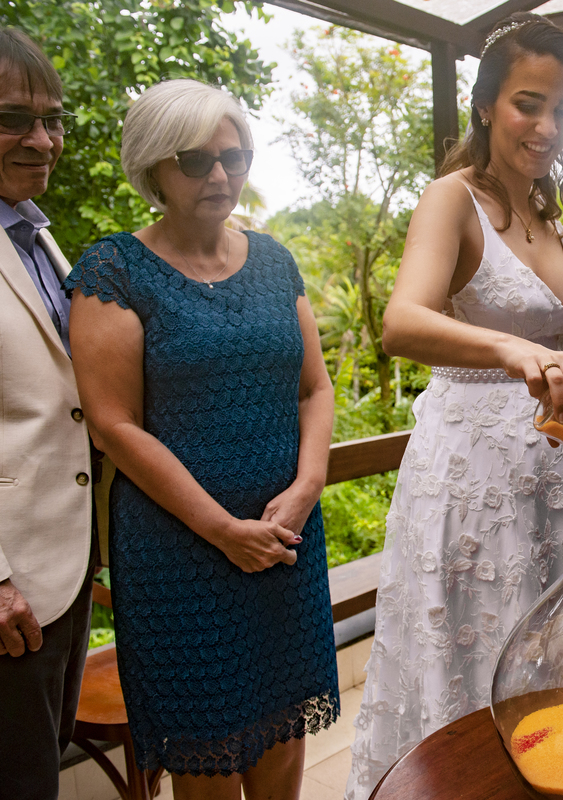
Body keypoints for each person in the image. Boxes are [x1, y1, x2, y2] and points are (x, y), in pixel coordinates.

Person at [344, 14, 563, 797]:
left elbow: (549, 332)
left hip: (558, 478)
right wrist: (516, 352)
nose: (547, 126)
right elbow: (403, 322)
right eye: (529, 103)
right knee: (472, 659)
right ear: (487, 105)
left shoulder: (551, 212)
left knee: (548, 663)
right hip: (474, 480)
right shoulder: (449, 198)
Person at [66, 79, 338, 799]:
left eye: (235, 155)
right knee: (208, 751)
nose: (220, 174)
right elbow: (114, 424)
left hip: (286, 537)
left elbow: (315, 388)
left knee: (284, 723)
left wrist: (307, 486)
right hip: (181, 551)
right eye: (195, 159)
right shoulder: (115, 269)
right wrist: (220, 529)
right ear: (153, 166)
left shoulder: (276, 261)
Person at [0, 27, 95, 800]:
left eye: (52, 118)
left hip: (62, 571)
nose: (42, 139)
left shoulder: (36, 236)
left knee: (40, 767)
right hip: (9, 589)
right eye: (12, 118)